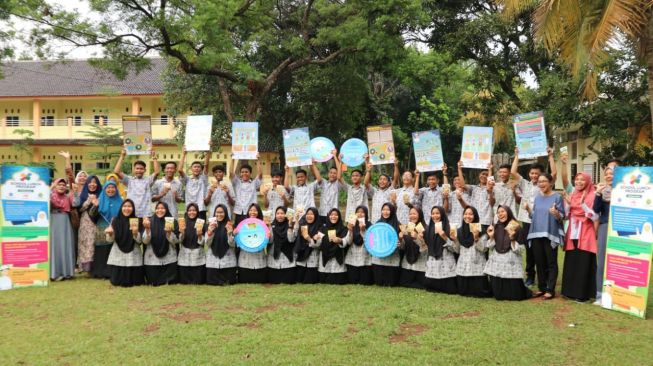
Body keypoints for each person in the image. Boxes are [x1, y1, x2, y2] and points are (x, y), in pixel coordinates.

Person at [510, 146, 557, 286]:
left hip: (540, 222)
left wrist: (550, 156)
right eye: (532, 173)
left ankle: (546, 276)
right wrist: (517, 155)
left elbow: (554, 173)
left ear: (542, 175)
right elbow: (513, 172)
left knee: (541, 250)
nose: (534, 176)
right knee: (529, 250)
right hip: (526, 221)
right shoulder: (525, 184)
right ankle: (530, 275)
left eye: (536, 173)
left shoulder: (544, 185)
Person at [526, 173, 565, 300]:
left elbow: (562, 216)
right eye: (539, 182)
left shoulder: (557, 197)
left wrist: (556, 213)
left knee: (551, 262)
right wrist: (528, 210)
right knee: (539, 262)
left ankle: (550, 289)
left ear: (550, 183)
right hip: (536, 232)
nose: (541, 184)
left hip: (550, 234)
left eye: (544, 181)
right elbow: (534, 216)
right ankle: (542, 288)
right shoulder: (537, 198)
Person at [561, 172, 598, 302]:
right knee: (572, 262)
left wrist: (582, 204)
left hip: (586, 233)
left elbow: (594, 216)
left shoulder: (592, 195)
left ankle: (582, 295)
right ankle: (569, 291)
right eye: (577, 179)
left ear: (588, 181)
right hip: (573, 233)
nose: (579, 182)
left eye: (582, 180)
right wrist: (567, 203)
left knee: (584, 263)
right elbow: (566, 215)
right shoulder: (573, 194)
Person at [484, 205, 532, 300]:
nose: (500, 214)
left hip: (511, 259)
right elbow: (490, 247)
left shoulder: (516, 227)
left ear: (508, 212)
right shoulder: (495, 226)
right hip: (497, 259)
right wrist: (491, 236)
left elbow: (521, 250)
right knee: (498, 296)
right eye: (498, 212)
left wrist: (512, 239)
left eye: (503, 211)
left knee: (515, 295)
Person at [451, 206, 491, 297]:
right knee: (463, 292)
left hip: (477, 265)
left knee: (480, 292)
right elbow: (457, 250)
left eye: (470, 214)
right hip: (463, 266)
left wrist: (476, 238)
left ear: (475, 216)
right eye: (465, 214)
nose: (467, 216)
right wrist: (455, 240)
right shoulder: (459, 231)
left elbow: (484, 249)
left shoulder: (481, 230)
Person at [105, 199, 145, 287]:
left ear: (133, 208)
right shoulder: (115, 220)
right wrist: (110, 234)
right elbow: (110, 240)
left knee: (136, 281)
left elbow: (140, 241)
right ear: (121, 208)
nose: (127, 209)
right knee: (116, 281)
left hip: (133, 252)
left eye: (129, 206)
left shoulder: (138, 220)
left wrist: (135, 233)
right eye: (125, 206)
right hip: (118, 252)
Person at [114, 148, 160, 218]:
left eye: (141, 169)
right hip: (131, 213)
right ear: (134, 169)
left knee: (145, 229)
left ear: (145, 170)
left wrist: (154, 156)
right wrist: (122, 156)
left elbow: (157, 172)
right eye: (137, 168)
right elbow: (116, 171)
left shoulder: (148, 180)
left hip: (145, 214)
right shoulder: (129, 180)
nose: (139, 170)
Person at [594, 163, 616, 304]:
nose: (608, 176)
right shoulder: (602, 190)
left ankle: (619, 295)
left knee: (619, 260)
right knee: (602, 261)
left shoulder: (626, 190)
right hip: (605, 225)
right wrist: (598, 193)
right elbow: (596, 210)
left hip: (622, 228)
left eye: (611, 173)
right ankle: (600, 295)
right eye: (606, 174)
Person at [142, 202, 179, 286]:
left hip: (169, 257)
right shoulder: (149, 222)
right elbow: (145, 241)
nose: (160, 210)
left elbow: (176, 241)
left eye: (162, 208)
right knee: (153, 281)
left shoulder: (173, 221)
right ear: (155, 210)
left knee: (170, 281)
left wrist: (169, 233)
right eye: (158, 208)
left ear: (166, 209)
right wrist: (147, 229)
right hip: (152, 258)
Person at [91, 181, 122, 279]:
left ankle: (112, 272)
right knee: (102, 250)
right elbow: (91, 215)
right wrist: (95, 205)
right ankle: (100, 272)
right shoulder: (100, 200)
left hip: (116, 227)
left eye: (113, 187)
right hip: (102, 227)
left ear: (116, 189)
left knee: (113, 249)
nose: (111, 190)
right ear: (104, 189)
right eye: (108, 188)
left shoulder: (120, 201)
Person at [423, 206, 458, 294]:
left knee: (449, 289)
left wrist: (445, 237)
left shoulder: (450, 228)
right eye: (433, 213)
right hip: (432, 264)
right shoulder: (427, 229)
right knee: (431, 287)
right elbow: (424, 248)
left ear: (442, 214)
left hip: (446, 263)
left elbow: (456, 249)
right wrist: (419, 239)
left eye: (437, 213)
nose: (435, 216)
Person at [73, 175, 102, 274]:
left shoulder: (101, 194)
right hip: (85, 223)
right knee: (85, 244)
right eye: (90, 182)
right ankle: (85, 268)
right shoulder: (83, 194)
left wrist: (96, 203)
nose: (92, 184)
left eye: (95, 182)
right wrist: (89, 201)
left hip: (97, 222)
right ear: (87, 183)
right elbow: (79, 209)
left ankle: (95, 267)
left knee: (94, 244)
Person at [50, 176, 75, 281]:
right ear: (55, 185)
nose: (61, 186)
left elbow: (76, 203)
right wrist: (50, 189)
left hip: (65, 221)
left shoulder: (68, 197)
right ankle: (54, 273)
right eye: (59, 184)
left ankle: (66, 272)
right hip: (53, 221)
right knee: (54, 246)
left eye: (63, 185)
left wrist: (75, 191)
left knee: (65, 245)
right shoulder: (51, 195)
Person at [457, 161, 495, 232]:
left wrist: (490, 170)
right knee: (475, 240)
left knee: (484, 241)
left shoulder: (492, 189)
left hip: (486, 221)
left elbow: (489, 186)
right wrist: (459, 169)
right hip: (474, 220)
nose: (484, 176)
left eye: (486, 175)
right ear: (479, 175)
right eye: (482, 174)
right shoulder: (473, 188)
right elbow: (462, 185)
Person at [236, 203, 269, 283]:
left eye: (255, 210)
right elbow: (236, 243)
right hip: (245, 262)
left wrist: (268, 229)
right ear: (248, 212)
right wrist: (234, 234)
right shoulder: (242, 225)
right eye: (250, 210)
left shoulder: (264, 224)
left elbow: (269, 241)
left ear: (259, 212)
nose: (252, 212)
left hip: (259, 262)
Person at [205, 204, 237, 285]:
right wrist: (210, 233)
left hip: (228, 262)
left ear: (226, 213)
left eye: (221, 212)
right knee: (212, 282)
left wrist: (230, 234)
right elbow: (208, 244)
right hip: (213, 263)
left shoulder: (230, 225)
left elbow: (233, 245)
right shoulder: (210, 225)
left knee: (229, 281)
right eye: (217, 212)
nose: (219, 215)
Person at [316, 208, 349, 284]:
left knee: (338, 280)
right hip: (325, 256)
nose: (333, 217)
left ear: (339, 216)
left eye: (336, 215)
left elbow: (346, 242)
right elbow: (318, 244)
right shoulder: (323, 228)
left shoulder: (343, 228)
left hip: (338, 256)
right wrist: (317, 238)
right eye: (331, 215)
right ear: (328, 216)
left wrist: (340, 240)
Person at [371, 203, 401, 286]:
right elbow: (371, 238)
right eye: (383, 210)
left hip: (392, 258)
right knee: (379, 283)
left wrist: (400, 243)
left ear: (392, 211)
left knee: (391, 283)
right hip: (379, 258)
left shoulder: (398, 224)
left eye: (388, 210)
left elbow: (402, 242)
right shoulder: (377, 224)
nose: (385, 212)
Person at [398, 206, 428, 289]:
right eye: (410, 214)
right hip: (408, 262)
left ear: (420, 215)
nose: (412, 216)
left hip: (421, 263)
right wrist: (400, 239)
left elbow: (425, 250)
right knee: (403, 282)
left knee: (423, 284)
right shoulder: (406, 227)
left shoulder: (425, 228)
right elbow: (402, 248)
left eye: (414, 213)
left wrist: (418, 239)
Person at [179, 145, 211, 219]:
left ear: (201, 169)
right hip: (189, 209)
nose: (196, 168)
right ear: (191, 169)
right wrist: (183, 154)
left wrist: (208, 151)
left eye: (198, 167)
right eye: (195, 167)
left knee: (201, 230)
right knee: (188, 229)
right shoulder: (187, 179)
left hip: (201, 209)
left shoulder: (203, 179)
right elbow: (180, 170)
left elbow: (206, 166)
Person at [177, 203, 207, 284]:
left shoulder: (201, 223)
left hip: (198, 252)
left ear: (197, 212)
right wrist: (182, 233)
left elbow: (204, 242)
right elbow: (179, 241)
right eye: (189, 210)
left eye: (194, 210)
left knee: (199, 280)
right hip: (185, 252)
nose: (192, 212)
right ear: (187, 212)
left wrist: (200, 235)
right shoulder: (183, 223)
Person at [267, 206, 297, 284]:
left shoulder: (290, 225)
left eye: (282, 213)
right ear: (275, 215)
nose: (280, 215)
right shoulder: (271, 225)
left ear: (286, 214)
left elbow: (291, 240)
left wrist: (290, 226)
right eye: (278, 213)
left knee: (288, 281)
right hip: (274, 257)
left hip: (287, 258)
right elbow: (270, 241)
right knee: (274, 281)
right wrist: (269, 227)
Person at [345, 205, 373, 285]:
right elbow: (348, 242)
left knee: (365, 282)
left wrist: (363, 231)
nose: (360, 214)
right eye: (358, 212)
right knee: (352, 281)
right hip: (353, 256)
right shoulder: (351, 224)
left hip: (365, 257)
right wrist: (350, 231)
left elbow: (370, 243)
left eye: (362, 212)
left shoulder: (370, 225)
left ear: (366, 214)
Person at [366, 158, 400, 223]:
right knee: (372, 233)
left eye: (384, 179)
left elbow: (395, 179)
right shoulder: (374, 191)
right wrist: (369, 171)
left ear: (389, 182)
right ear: (378, 182)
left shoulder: (390, 190)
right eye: (380, 179)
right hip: (374, 221)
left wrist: (396, 166)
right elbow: (366, 183)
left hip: (386, 222)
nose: (382, 181)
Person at [293, 207, 322, 284]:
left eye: (312, 214)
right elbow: (294, 235)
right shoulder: (302, 224)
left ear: (315, 216)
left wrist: (308, 238)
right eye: (308, 214)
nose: (309, 216)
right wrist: (296, 220)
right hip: (301, 254)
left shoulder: (320, 227)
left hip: (312, 257)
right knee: (299, 279)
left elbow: (318, 245)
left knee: (310, 280)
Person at [231, 155, 262, 225]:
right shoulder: (237, 182)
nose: (244, 173)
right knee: (239, 231)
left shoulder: (254, 183)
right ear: (240, 173)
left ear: (250, 173)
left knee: (250, 231)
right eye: (242, 172)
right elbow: (231, 173)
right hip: (239, 212)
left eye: (246, 172)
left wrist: (257, 160)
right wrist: (233, 159)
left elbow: (260, 174)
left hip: (251, 213)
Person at [315, 150, 343, 222]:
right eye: (331, 173)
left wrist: (335, 156)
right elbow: (317, 176)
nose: (332, 174)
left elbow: (340, 173)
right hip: (322, 213)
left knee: (332, 233)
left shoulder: (338, 184)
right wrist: (313, 164)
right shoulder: (323, 182)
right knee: (322, 232)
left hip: (333, 215)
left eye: (334, 173)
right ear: (328, 174)